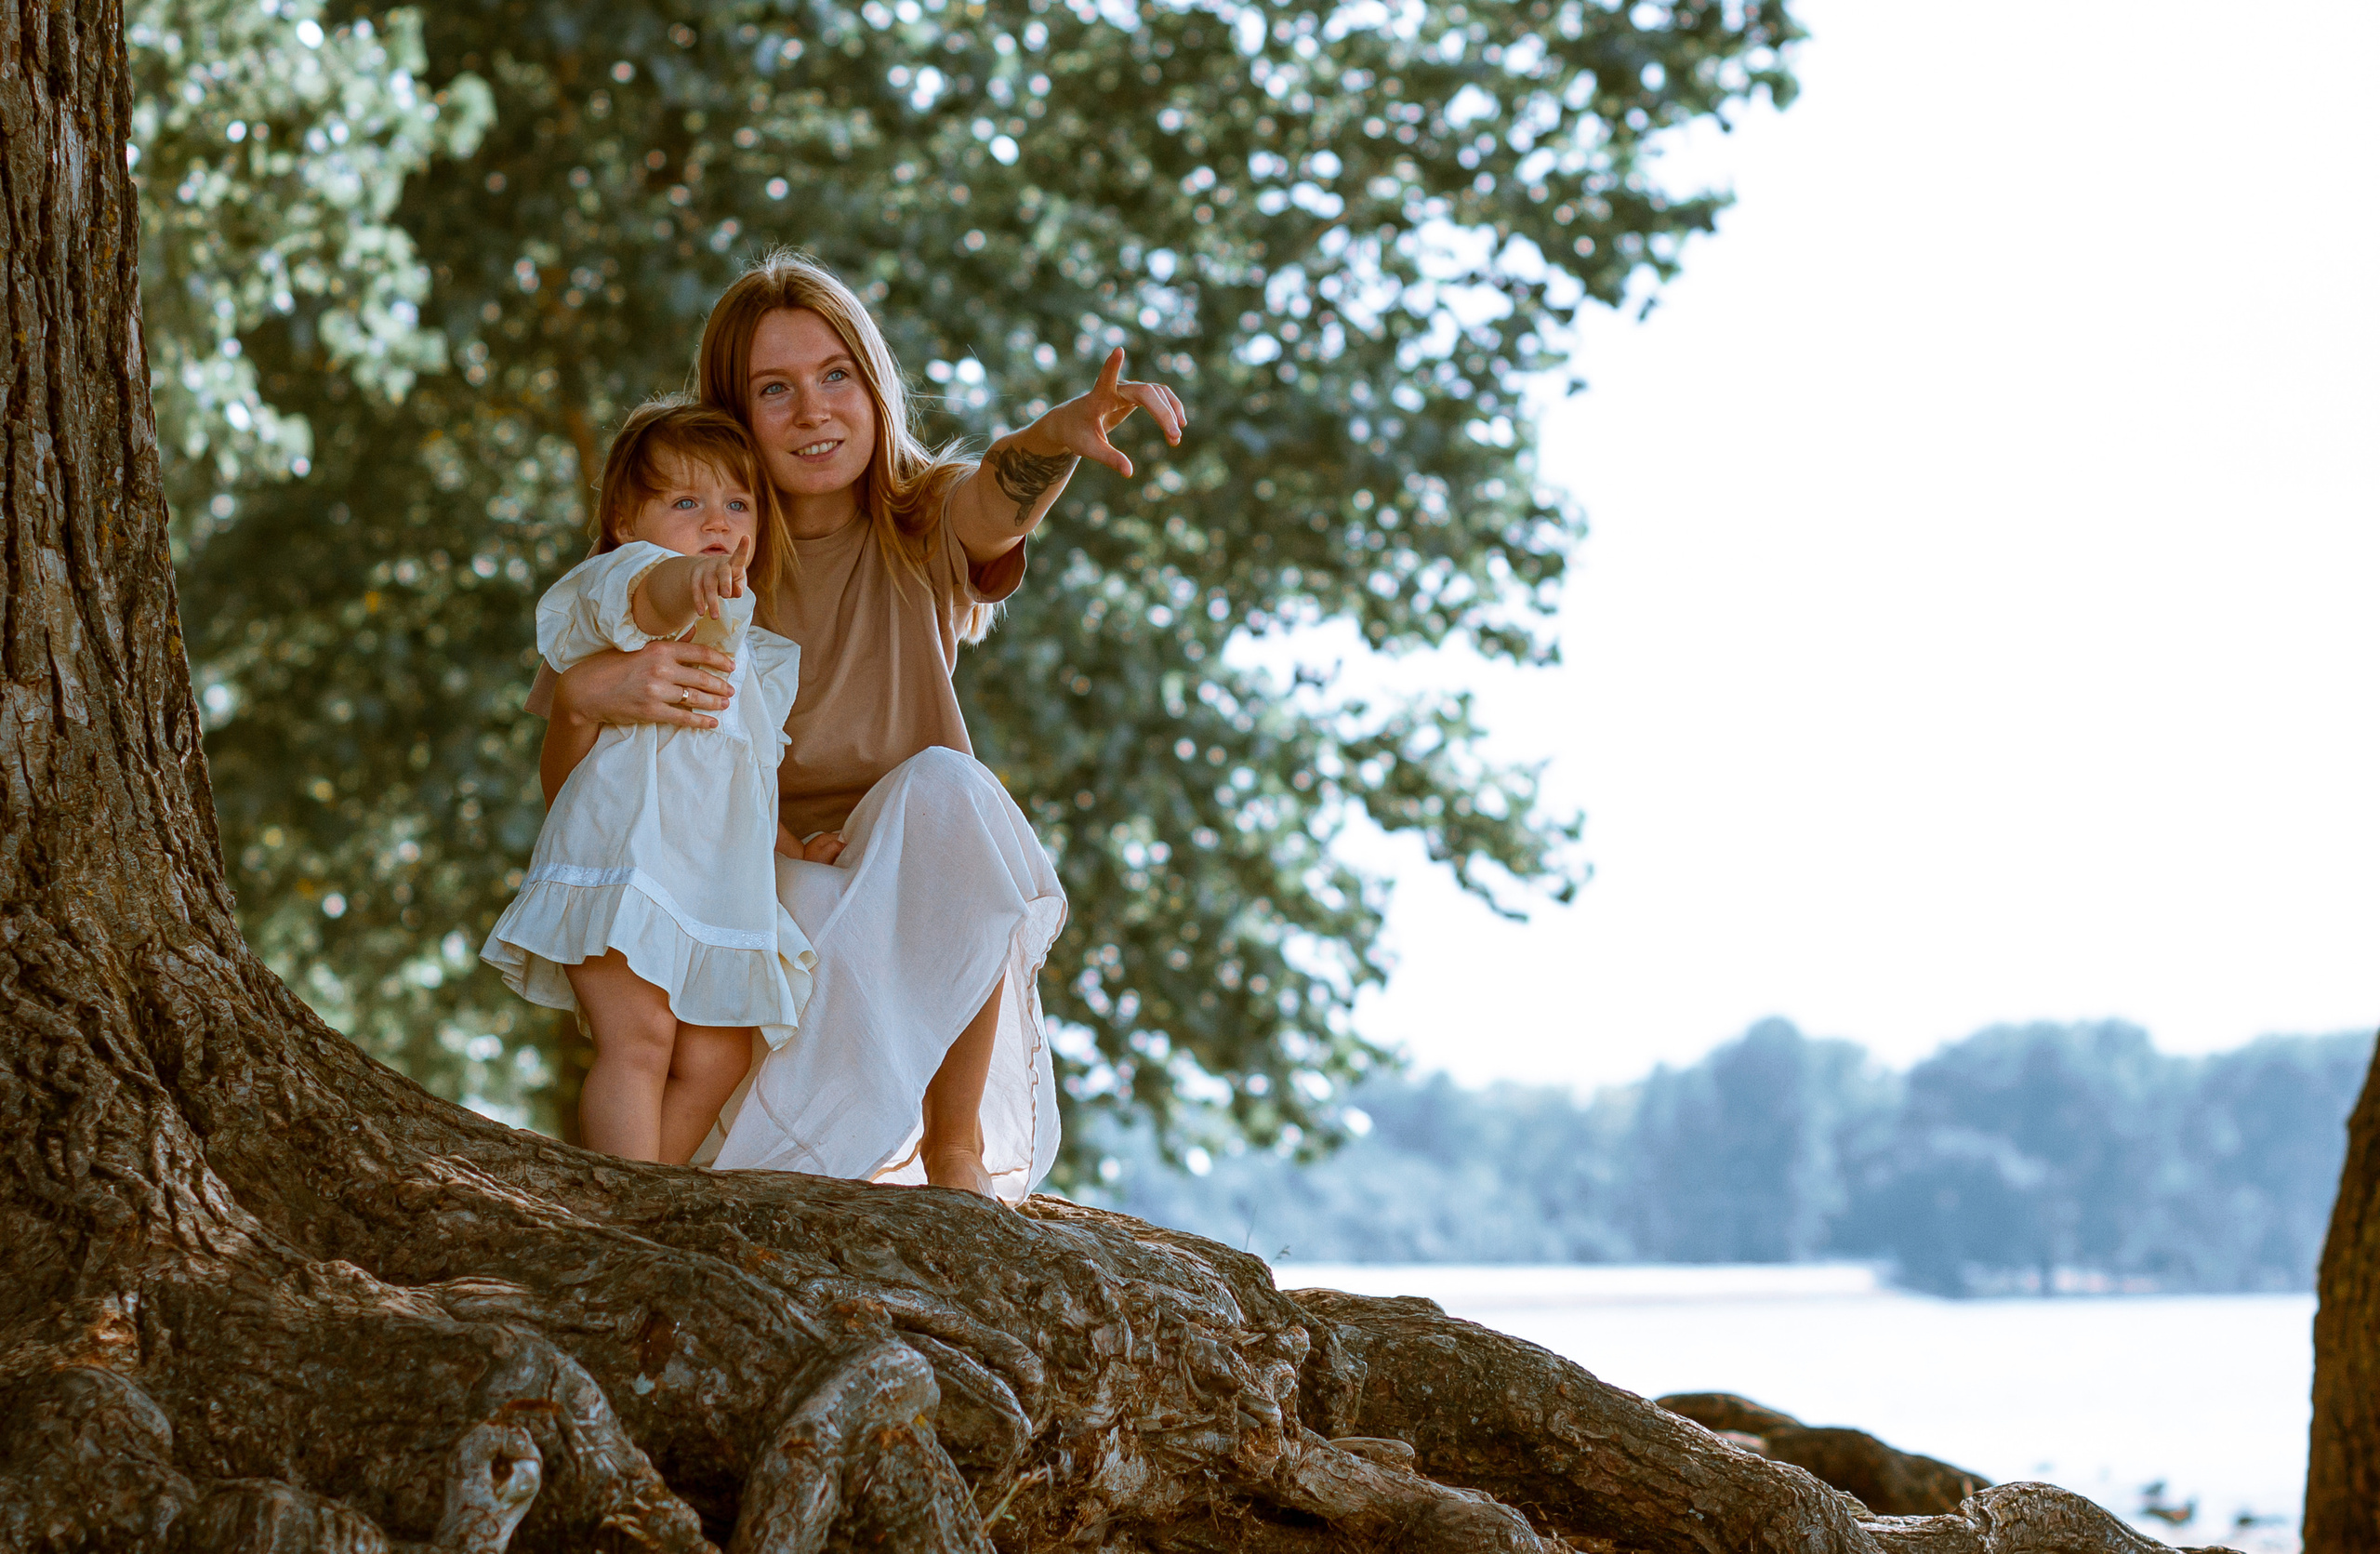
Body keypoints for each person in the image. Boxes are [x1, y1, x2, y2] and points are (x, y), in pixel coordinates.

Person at [530, 250, 1185, 1199]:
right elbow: (579, 793)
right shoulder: (692, 556)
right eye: (775, 388)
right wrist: (588, 696)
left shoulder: (920, 521)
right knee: (757, 923)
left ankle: (954, 1150)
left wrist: (1060, 436)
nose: (813, 410)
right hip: (752, 880)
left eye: (836, 375)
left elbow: (995, 497)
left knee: (953, 790)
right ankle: (660, 1189)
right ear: (736, 414)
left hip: (907, 890)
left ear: (874, 390)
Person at [484, 400, 833, 1164]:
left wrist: (795, 846)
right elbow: (656, 592)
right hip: (626, 864)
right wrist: (692, 577)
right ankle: (626, 1199)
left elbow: (744, 782)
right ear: (624, 522)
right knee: (639, 1040)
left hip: (711, 886)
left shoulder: (756, 656)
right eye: (685, 503)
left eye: (737, 504)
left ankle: (644, 1192)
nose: (718, 522)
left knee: (718, 1058)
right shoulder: (627, 590)